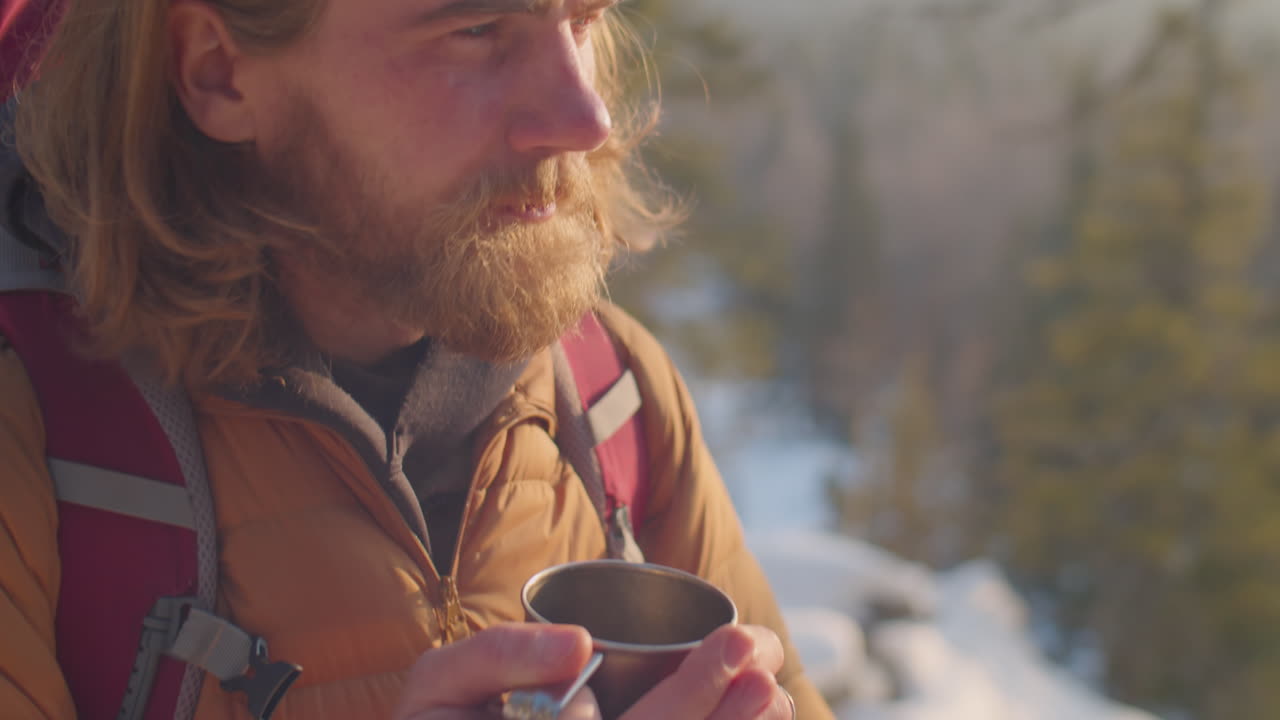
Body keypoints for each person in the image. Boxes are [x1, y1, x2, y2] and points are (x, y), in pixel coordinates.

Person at [0, 0, 834, 719]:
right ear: (219, 72)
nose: (586, 117)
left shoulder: (614, 393)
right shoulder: (39, 424)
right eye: (476, 29)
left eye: (583, 19)